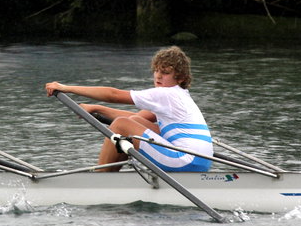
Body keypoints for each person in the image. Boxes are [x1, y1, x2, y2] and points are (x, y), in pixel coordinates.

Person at [45, 46, 212, 172]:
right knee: (134, 122)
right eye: (156, 70)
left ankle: (99, 179)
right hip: (200, 161)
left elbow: (113, 94)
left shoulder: (166, 95)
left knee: (120, 125)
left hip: (186, 160)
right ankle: (113, 179)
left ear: (181, 78)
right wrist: (96, 108)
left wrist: (66, 87)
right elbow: (135, 119)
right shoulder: (179, 96)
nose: (158, 76)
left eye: (165, 73)